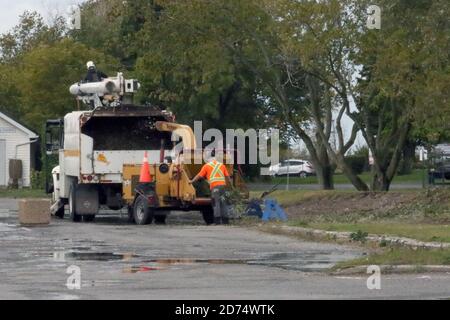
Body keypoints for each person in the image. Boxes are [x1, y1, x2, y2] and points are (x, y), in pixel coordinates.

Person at [190, 152, 232, 225]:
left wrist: (191, 181)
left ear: (208, 158)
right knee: (223, 203)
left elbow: (199, 176)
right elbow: (228, 177)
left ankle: (217, 222)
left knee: (216, 203)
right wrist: (231, 186)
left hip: (215, 187)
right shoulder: (222, 165)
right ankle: (226, 221)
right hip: (223, 187)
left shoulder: (207, 166)